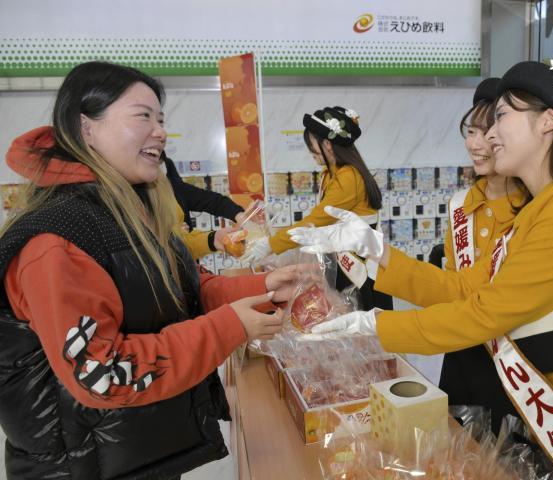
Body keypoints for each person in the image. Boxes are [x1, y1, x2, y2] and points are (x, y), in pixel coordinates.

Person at [291, 55, 553, 478]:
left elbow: (485, 312)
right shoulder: (546, 206)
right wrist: (379, 252)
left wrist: (376, 325)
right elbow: (464, 287)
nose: (489, 135)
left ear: (547, 121)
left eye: (500, 116)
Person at [0, 61, 298, 480]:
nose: (160, 131)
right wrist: (230, 327)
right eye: (143, 116)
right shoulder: (57, 240)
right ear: (86, 128)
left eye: (161, 119)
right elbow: (103, 372)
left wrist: (264, 286)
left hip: (134, 453)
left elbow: (181, 290)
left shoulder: (129, 210)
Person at [242, 106, 393, 310]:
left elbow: (315, 222)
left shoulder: (348, 178)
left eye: (311, 143)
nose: (310, 150)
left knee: (366, 328)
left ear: (328, 144)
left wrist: (271, 244)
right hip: (344, 260)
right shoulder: (330, 174)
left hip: (361, 266)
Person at [439, 77, 528, 406]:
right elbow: (450, 278)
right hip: (463, 348)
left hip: (515, 361)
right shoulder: (459, 205)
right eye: (471, 132)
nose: (475, 144)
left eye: (488, 133)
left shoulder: (534, 208)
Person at [163, 152, 245, 259]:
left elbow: (213, 201)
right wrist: (172, 232)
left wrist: (238, 214)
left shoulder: (175, 189)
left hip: (187, 263)